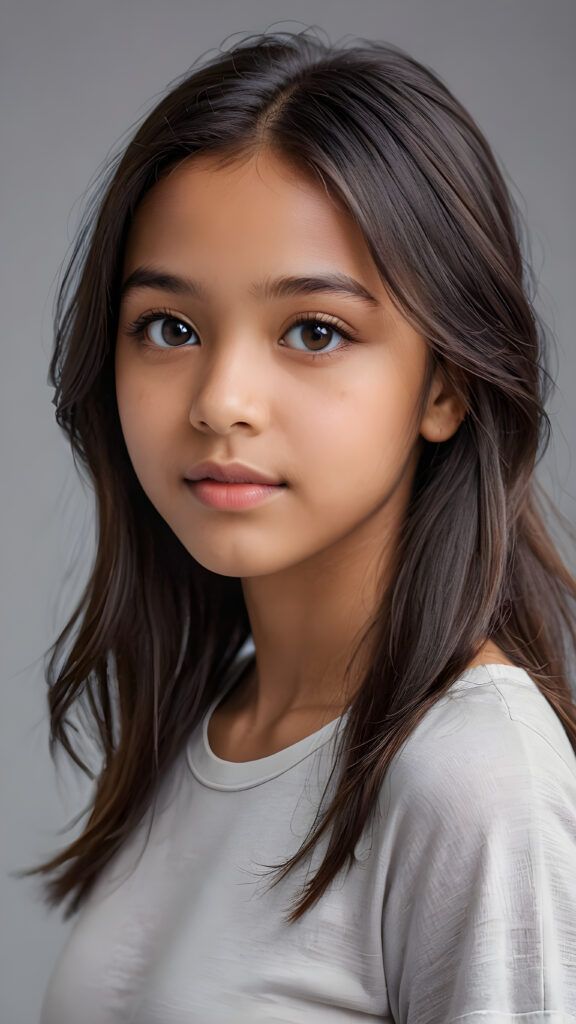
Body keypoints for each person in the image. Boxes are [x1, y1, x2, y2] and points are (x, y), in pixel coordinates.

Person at [23, 26, 576, 1023]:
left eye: (314, 332)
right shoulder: (216, 722)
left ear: (443, 385)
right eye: (170, 328)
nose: (221, 400)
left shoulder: (474, 778)